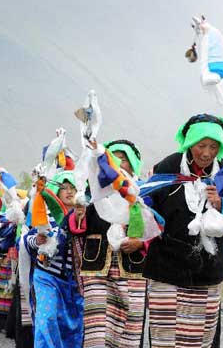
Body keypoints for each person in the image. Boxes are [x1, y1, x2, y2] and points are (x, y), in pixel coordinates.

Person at [142, 114, 223, 348]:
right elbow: (148, 206)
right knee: (165, 339)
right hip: (166, 271)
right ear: (189, 143)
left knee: (200, 341)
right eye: (201, 145)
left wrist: (221, 205)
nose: (207, 153)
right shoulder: (168, 167)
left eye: (214, 146)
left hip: (208, 274)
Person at [69, 139, 150, 348]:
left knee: (129, 326)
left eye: (124, 160)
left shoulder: (143, 193)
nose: (119, 164)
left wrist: (140, 243)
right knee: (97, 328)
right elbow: (74, 227)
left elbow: (154, 228)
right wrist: (79, 215)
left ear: (133, 164)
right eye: (113, 159)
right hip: (96, 268)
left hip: (131, 268)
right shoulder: (93, 192)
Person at [24, 171, 83, 348]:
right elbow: (27, 239)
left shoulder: (85, 216)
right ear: (55, 192)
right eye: (64, 188)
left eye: (72, 187)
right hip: (47, 277)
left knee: (74, 326)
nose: (69, 191)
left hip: (75, 282)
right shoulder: (45, 215)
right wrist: (37, 240)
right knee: (47, 319)